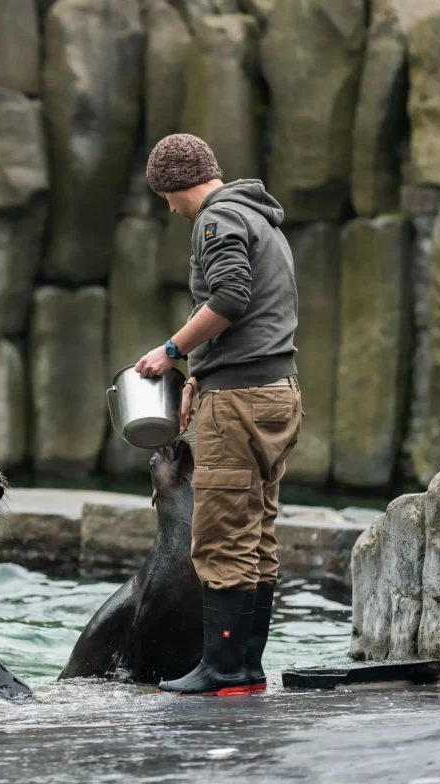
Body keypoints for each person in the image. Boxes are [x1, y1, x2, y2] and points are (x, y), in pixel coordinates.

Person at [134, 133, 302, 696]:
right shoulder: (262, 219)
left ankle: (224, 671)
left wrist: (173, 352)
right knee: (257, 532)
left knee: (222, 536)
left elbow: (229, 297)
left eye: (167, 197)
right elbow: (256, 313)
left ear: (175, 186)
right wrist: (201, 374)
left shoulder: (216, 220)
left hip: (240, 403)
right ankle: (246, 670)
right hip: (274, 391)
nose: (171, 208)